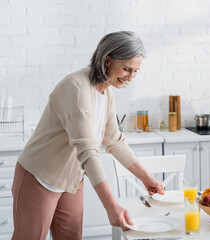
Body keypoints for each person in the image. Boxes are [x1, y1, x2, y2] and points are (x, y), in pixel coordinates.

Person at [11, 31, 165, 240]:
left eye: (136, 71)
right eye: (127, 69)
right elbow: (88, 151)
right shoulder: (76, 87)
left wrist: (147, 178)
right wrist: (111, 206)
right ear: (107, 60)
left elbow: (114, 141)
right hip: (40, 176)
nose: (131, 77)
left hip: (71, 179)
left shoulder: (106, 90)